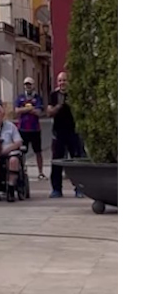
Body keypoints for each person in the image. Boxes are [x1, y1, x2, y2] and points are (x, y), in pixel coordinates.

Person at [48, 70, 84, 198]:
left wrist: (73, 104)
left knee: (76, 160)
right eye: (60, 80)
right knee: (57, 161)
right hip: (58, 132)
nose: (62, 83)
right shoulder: (54, 95)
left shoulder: (74, 94)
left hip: (73, 131)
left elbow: (81, 110)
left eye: (64, 80)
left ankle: (79, 188)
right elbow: (49, 112)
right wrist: (58, 106)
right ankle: (56, 189)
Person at [13, 78, 46, 180]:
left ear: (33, 85)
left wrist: (25, 109)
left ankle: (40, 172)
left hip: (35, 129)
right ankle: (21, 170)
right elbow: (16, 111)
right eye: (26, 85)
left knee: (38, 151)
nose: (28, 87)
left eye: (30, 84)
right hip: (23, 129)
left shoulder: (38, 98)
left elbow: (39, 112)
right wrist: (30, 109)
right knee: (22, 152)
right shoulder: (20, 97)